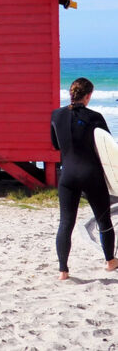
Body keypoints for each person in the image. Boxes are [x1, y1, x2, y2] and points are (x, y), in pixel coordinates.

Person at [51, 77, 118, 280]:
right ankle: (110, 261)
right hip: (91, 174)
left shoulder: (56, 115)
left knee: (66, 223)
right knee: (104, 220)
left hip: (68, 175)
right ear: (87, 96)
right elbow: (107, 148)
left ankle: (63, 271)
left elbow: (55, 145)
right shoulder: (95, 117)